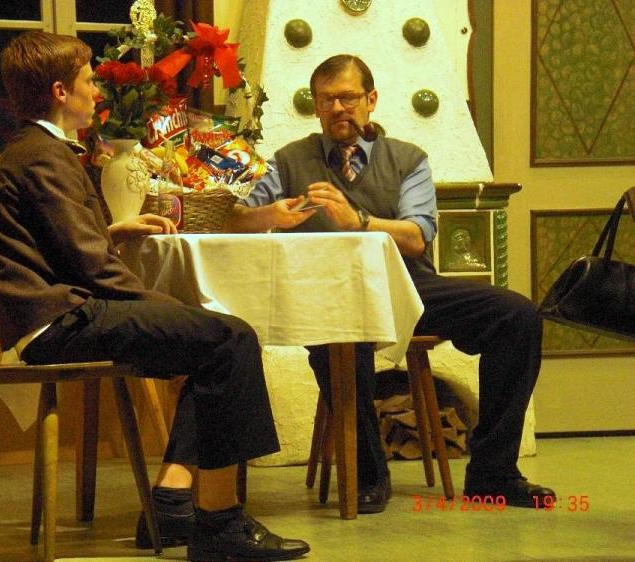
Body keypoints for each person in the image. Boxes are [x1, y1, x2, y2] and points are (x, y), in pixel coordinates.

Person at [0, 30, 310, 562]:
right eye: (88, 82)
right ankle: (218, 524)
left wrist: (113, 231)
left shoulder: (36, 151)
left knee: (215, 343)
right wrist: (170, 307)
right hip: (58, 322)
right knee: (228, 338)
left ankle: (173, 504)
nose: (96, 92)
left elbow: (55, 245)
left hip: (55, 313)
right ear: (60, 91)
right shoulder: (42, 156)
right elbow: (95, 272)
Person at [223, 54, 556, 513]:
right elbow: (233, 217)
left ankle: (493, 473)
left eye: (348, 97)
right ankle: (366, 474)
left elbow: (417, 237)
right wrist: (268, 215)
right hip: (328, 292)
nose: (338, 108)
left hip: (406, 285)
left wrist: (358, 220)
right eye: (326, 100)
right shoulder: (288, 161)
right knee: (338, 335)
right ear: (315, 107)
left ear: (371, 100)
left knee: (518, 316)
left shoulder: (408, 159)